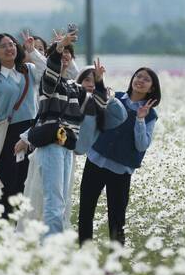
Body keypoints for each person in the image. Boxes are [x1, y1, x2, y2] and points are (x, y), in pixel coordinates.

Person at [0, 32, 73, 219]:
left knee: (28, 181)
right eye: (3, 46)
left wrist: (32, 50)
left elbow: (50, 71)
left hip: (30, 132)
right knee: (4, 183)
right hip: (6, 134)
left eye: (11, 44)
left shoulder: (29, 69)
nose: (9, 48)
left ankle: (22, 226)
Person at [14, 35, 108, 238]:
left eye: (68, 55)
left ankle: (52, 247)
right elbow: (51, 70)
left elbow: (98, 105)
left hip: (66, 147)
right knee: (54, 202)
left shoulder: (75, 88)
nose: (65, 57)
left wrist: (99, 83)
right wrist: (59, 48)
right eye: (61, 55)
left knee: (62, 201)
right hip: (52, 144)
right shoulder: (49, 85)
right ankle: (51, 249)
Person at [21, 66, 127, 225]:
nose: (90, 84)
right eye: (86, 80)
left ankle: (52, 236)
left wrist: (105, 92)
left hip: (69, 153)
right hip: (50, 149)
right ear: (78, 82)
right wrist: (24, 138)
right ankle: (35, 236)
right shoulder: (68, 97)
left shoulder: (97, 107)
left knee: (60, 200)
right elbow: (44, 119)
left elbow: (120, 116)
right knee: (40, 196)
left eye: (94, 80)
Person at [77, 67, 161, 246]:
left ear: (152, 88)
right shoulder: (117, 97)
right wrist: (99, 81)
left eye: (146, 79)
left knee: (117, 219)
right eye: (138, 76)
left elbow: (142, 145)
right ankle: (84, 256)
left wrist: (140, 119)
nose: (140, 80)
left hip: (121, 170)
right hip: (96, 160)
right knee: (85, 211)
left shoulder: (150, 114)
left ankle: (114, 265)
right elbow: (98, 114)